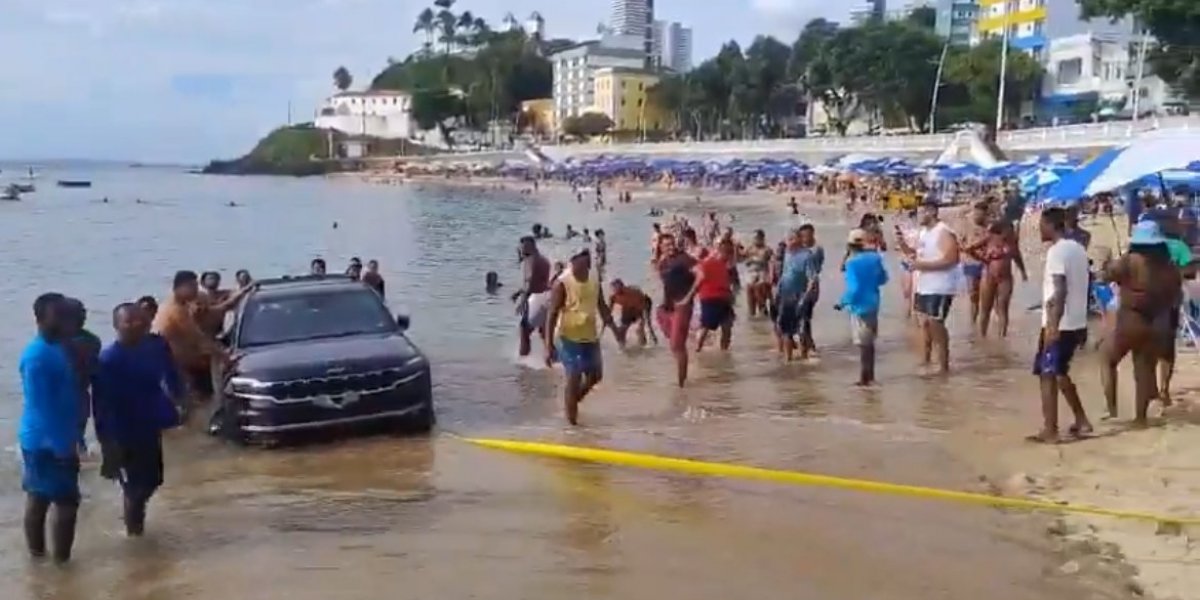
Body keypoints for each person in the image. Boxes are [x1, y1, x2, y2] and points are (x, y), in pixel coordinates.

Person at [93, 303, 183, 536]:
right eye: (129, 321)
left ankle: (135, 520)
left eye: (139, 319)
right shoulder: (108, 360)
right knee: (134, 487)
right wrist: (107, 444)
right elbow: (101, 406)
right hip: (123, 431)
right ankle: (134, 535)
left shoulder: (154, 346)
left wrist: (180, 400)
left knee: (154, 480)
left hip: (150, 425)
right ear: (116, 326)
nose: (136, 324)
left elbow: (171, 372)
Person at [1101, 220, 1182, 426]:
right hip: (1157, 322)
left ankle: (1112, 411)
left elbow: (1107, 276)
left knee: (1107, 359)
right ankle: (1140, 418)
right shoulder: (1169, 267)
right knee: (1143, 370)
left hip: (1130, 320)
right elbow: (1174, 295)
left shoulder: (1130, 260)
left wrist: (1108, 263)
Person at [19, 293, 81, 563]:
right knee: (66, 504)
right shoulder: (38, 357)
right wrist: (61, 446)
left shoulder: (56, 346)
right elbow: (42, 405)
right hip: (46, 441)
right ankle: (61, 565)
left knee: (39, 495)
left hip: (47, 437)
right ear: (40, 319)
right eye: (60, 315)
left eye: (67, 314)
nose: (67, 320)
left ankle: (38, 558)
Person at [1029, 208, 1092, 443]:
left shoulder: (1057, 252)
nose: (1039, 230)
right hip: (1075, 320)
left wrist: (1052, 326)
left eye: (1041, 225)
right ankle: (1081, 420)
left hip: (1060, 322)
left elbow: (1060, 289)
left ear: (1050, 225)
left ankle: (1050, 429)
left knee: (1047, 373)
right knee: (1059, 372)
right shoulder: (1077, 248)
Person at [543, 249, 622, 425]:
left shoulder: (594, 279)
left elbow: (601, 306)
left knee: (595, 376)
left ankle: (572, 401)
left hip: (590, 337)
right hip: (568, 338)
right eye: (578, 260)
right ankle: (572, 426)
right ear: (572, 262)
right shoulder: (562, 283)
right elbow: (552, 314)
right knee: (575, 375)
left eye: (586, 259)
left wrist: (615, 330)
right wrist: (548, 346)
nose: (584, 263)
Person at [897, 201, 960, 374]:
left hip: (941, 286)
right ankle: (926, 360)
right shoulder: (925, 232)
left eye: (921, 212)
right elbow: (917, 254)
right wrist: (903, 245)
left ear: (932, 212)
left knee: (936, 323)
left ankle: (944, 365)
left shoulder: (944, 232)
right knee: (924, 323)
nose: (918, 216)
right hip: (924, 285)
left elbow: (952, 259)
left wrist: (922, 266)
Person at [153, 271, 235, 399]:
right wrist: (224, 356)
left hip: (184, 365)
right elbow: (198, 338)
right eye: (193, 286)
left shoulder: (182, 306)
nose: (196, 290)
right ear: (181, 287)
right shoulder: (174, 310)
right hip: (178, 369)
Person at [836, 229, 888, 386]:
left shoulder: (851, 263)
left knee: (863, 343)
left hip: (859, 306)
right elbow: (883, 279)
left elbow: (854, 288)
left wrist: (842, 302)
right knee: (869, 341)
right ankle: (870, 376)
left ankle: (865, 379)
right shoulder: (875, 258)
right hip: (874, 302)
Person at [681, 237, 736, 352]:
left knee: (727, 326)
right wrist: (688, 297)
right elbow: (698, 279)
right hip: (710, 298)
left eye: (731, 253)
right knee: (706, 326)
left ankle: (724, 352)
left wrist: (730, 295)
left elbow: (725, 282)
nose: (730, 256)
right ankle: (698, 350)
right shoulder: (708, 263)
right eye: (728, 253)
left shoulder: (724, 265)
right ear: (721, 251)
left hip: (724, 299)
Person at [970, 222, 1026, 337]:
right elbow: (970, 249)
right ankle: (982, 336)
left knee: (1003, 307)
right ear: (1002, 230)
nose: (1011, 233)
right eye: (1009, 230)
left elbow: (1017, 257)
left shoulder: (1012, 243)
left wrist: (1023, 272)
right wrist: (983, 259)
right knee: (985, 308)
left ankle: (1002, 337)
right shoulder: (990, 238)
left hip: (1005, 278)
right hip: (988, 276)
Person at [656, 233, 697, 386]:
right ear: (661, 247)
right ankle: (683, 374)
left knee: (676, 346)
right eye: (666, 245)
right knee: (675, 342)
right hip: (669, 306)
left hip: (682, 305)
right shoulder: (663, 262)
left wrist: (688, 297)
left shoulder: (683, 259)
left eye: (672, 244)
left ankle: (682, 384)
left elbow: (701, 274)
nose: (670, 247)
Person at [776, 227, 821, 362]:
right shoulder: (787, 253)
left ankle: (804, 356)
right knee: (785, 329)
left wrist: (805, 297)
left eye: (792, 239)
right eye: (788, 239)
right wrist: (777, 291)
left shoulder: (807, 256)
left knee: (802, 329)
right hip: (785, 295)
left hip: (800, 296)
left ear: (799, 240)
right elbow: (785, 274)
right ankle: (788, 359)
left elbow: (812, 279)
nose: (789, 242)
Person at [62, 299, 100, 456]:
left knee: (76, 435)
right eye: (78, 313)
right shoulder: (90, 340)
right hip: (69, 393)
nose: (83, 316)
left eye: (83, 312)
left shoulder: (91, 340)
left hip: (80, 392)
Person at [515, 236, 552, 358]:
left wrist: (523, 301)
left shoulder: (530, 260)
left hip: (533, 298)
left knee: (524, 329)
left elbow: (530, 282)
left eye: (522, 246)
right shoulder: (544, 260)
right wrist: (519, 292)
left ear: (529, 246)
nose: (521, 249)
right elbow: (539, 281)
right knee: (544, 332)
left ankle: (523, 364)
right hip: (545, 297)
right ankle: (553, 357)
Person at [960, 202, 990, 326]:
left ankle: (984, 326)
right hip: (970, 263)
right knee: (973, 295)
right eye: (976, 213)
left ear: (985, 214)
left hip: (985, 264)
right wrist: (967, 248)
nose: (977, 216)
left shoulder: (990, 227)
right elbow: (960, 243)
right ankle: (973, 324)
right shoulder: (967, 225)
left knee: (986, 296)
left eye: (981, 214)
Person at [609, 279, 657, 347]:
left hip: (641, 305)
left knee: (643, 327)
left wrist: (643, 319)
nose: (616, 291)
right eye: (614, 289)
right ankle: (623, 347)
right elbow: (608, 312)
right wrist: (609, 321)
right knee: (622, 330)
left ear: (623, 287)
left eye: (619, 288)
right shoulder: (613, 298)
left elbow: (645, 302)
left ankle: (646, 344)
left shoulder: (633, 292)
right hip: (628, 309)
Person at [743, 229, 774, 317]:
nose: (755, 240)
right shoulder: (749, 248)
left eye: (757, 238)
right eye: (754, 238)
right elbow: (742, 260)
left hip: (762, 275)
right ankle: (752, 320)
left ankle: (764, 317)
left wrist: (754, 259)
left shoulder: (767, 249)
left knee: (761, 299)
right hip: (750, 275)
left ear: (762, 238)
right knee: (750, 300)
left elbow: (771, 262)